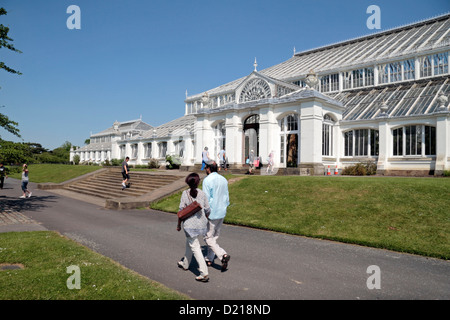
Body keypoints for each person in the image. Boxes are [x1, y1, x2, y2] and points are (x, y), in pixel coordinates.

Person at [176, 173, 211, 282]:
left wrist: (178, 225)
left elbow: (181, 211)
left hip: (189, 225)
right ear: (197, 182)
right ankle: (185, 263)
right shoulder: (203, 194)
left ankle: (204, 272)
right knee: (190, 242)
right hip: (201, 225)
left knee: (195, 247)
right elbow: (208, 210)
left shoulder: (184, 194)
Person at [202, 161, 230, 271]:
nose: (205, 169)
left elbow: (206, 198)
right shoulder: (223, 179)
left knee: (208, 238)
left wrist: (205, 212)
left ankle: (222, 254)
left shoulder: (207, 180)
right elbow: (226, 196)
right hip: (221, 211)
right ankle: (209, 258)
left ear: (209, 168)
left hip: (212, 212)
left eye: (206, 167)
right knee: (214, 237)